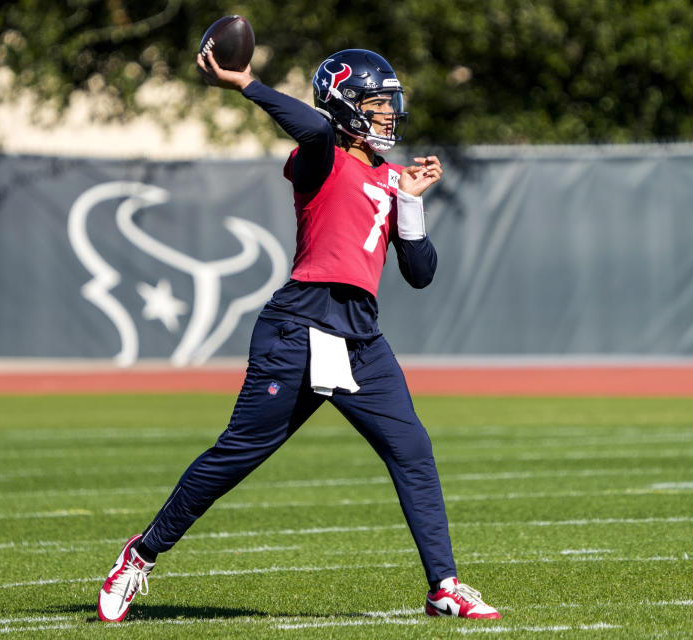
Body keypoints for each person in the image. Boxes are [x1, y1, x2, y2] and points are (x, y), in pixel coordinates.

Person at [96, 47, 501, 623]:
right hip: (299, 327)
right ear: (344, 106)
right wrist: (246, 84)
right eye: (377, 104)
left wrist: (409, 202)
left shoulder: (391, 178)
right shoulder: (321, 158)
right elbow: (313, 126)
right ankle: (141, 554)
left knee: (413, 452)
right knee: (237, 454)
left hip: (360, 338)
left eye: (391, 104)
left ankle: (444, 586)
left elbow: (420, 272)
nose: (389, 115)